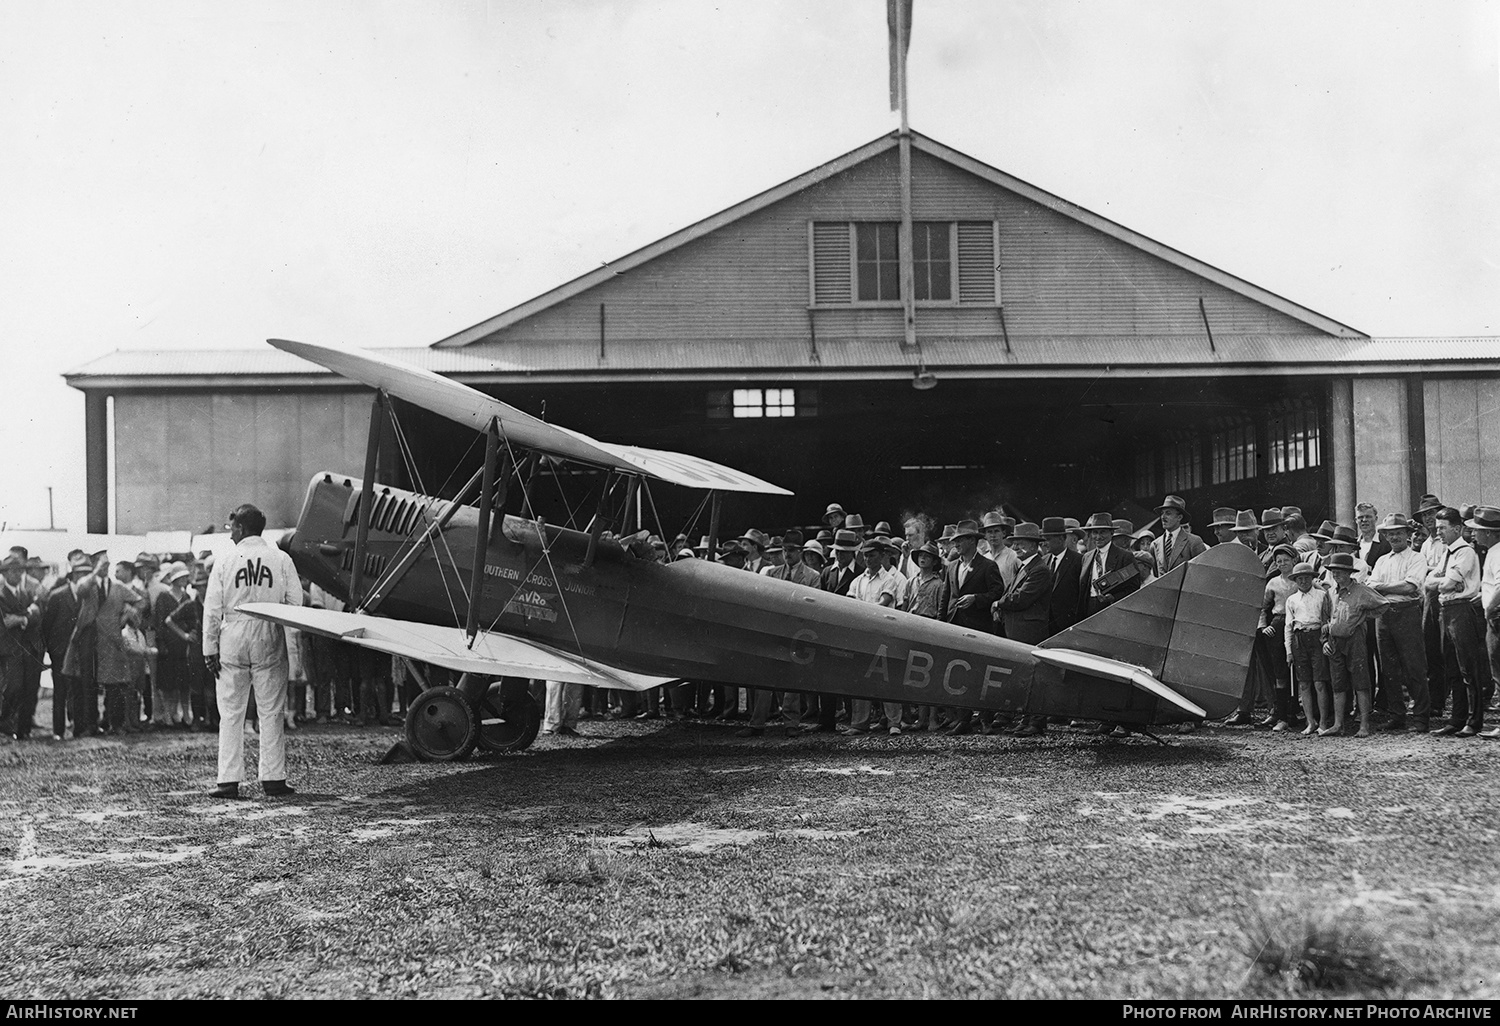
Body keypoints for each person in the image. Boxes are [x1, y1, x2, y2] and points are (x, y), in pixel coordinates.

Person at [203, 504, 305, 799]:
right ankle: (273, 778)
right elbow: (295, 604)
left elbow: (212, 609)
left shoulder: (225, 561)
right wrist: (290, 647)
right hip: (268, 632)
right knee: (271, 711)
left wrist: (210, 649)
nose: (230, 533)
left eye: (232, 527)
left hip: (232, 635)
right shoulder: (281, 559)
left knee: (231, 712)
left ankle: (228, 780)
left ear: (242, 528)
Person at [62, 552, 145, 739]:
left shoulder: (118, 587)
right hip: (89, 637)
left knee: (114, 683)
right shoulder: (88, 583)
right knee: (88, 682)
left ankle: (114, 723)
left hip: (111, 638)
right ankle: (90, 725)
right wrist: (95, 573)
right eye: (101, 564)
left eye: (107, 565)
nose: (105, 568)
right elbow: (81, 590)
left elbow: (141, 602)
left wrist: (128, 613)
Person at [1425, 506, 1488, 737]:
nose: (1438, 531)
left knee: (1468, 668)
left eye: (1443, 527)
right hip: (1446, 610)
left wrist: (1438, 578)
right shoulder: (1446, 553)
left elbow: (1444, 584)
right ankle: (1457, 718)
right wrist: (1439, 578)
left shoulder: (1465, 552)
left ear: (1458, 528)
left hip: (1462, 610)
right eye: (1437, 527)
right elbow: (1429, 580)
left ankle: (1474, 720)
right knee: (1451, 666)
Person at [1367, 513, 1430, 732]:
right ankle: (1397, 716)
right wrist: (1386, 587)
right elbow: (1369, 585)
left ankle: (1421, 718)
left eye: (1398, 533)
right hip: (1383, 614)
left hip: (1407, 612)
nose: (1394, 537)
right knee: (1389, 668)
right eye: (1390, 533)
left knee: (1414, 666)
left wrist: (1383, 587)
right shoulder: (1382, 560)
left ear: (1407, 534)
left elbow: (1410, 587)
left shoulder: (1416, 558)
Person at [996, 523, 1053, 737]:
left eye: (1022, 542)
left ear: (1034, 545)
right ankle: (1028, 718)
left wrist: (998, 604)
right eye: (1015, 542)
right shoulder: (1026, 567)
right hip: (1019, 629)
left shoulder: (1039, 570)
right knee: (1026, 677)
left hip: (1030, 630)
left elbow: (1022, 598)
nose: (1017, 546)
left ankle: (1036, 721)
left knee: (1034, 677)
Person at [841, 540, 904, 736]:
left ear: (882, 556)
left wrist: (862, 613)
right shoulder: (857, 581)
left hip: (884, 635)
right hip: (862, 635)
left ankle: (894, 722)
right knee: (860, 678)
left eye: (872, 555)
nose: (868, 559)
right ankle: (859, 723)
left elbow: (884, 603)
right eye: (865, 555)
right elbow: (850, 604)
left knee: (887, 680)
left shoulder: (889, 580)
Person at [1322, 552, 1388, 737]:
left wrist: (1363, 617)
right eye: (1334, 571)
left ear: (1349, 573)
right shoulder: (1330, 593)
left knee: (1361, 682)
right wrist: (1325, 641)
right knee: (1338, 684)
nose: (1337, 575)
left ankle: (1364, 725)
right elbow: (1325, 619)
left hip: (1355, 639)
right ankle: (1338, 724)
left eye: (1341, 571)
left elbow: (1383, 604)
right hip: (1335, 641)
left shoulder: (1361, 590)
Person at [41, 554, 92, 740]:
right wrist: (52, 650)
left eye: (87, 574)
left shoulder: (89, 596)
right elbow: (46, 626)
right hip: (60, 651)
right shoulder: (57, 596)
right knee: (60, 691)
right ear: (72, 576)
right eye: (80, 574)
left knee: (78, 690)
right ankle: (58, 730)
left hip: (80, 651)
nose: (84, 578)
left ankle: (79, 728)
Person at [1285, 562, 1331, 735]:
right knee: (1304, 684)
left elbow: (1327, 619)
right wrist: (1289, 651)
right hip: (1299, 639)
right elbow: (1288, 627)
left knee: (1319, 682)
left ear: (1312, 578)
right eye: (1299, 578)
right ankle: (1310, 722)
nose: (1303, 581)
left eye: (1306, 577)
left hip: (1317, 636)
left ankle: (1323, 722)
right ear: (1295, 580)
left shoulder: (1321, 595)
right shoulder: (1292, 599)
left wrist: (1325, 640)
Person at [1041, 517, 1082, 636]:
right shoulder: (1043, 561)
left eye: (1047, 539)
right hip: (1045, 625)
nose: (1044, 543)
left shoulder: (1078, 560)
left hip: (1068, 625)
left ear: (1061, 539)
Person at [1151, 495, 1207, 575]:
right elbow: (1156, 575)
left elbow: (1202, 572)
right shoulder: (1155, 544)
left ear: (1179, 517)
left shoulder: (1193, 542)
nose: (1163, 517)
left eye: (1168, 513)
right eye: (1162, 513)